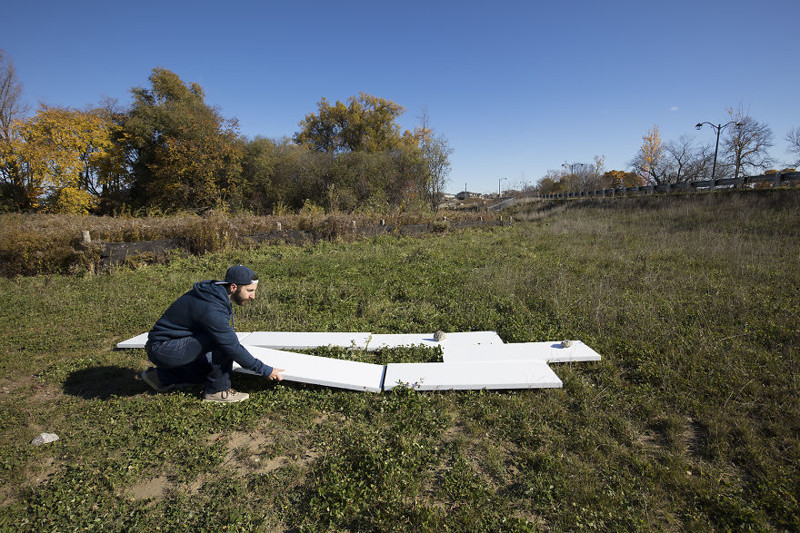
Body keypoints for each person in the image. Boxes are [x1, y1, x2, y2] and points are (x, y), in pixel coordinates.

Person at [141, 265, 283, 403]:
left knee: (205, 373)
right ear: (233, 287)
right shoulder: (211, 308)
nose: (253, 296)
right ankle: (217, 391)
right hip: (164, 349)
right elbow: (231, 346)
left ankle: (160, 376)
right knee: (222, 341)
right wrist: (265, 370)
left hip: (167, 346)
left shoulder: (214, 293)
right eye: (250, 290)